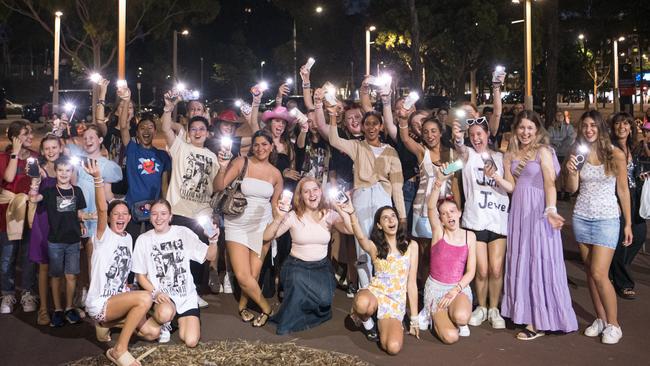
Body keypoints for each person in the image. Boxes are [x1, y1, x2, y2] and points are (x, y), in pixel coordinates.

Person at [490, 110, 577, 340]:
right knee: (522, 260)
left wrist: (550, 209)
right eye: (521, 128)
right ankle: (524, 311)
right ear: (515, 129)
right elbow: (511, 186)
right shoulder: (509, 154)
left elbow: (550, 182)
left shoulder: (544, 151)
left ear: (537, 130)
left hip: (539, 211)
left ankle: (540, 320)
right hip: (518, 211)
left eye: (530, 128)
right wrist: (496, 177)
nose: (525, 132)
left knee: (540, 260)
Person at [565, 110, 633, 345]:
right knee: (590, 273)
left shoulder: (615, 154)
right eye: (585, 126)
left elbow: (623, 190)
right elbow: (572, 188)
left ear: (601, 128)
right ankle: (601, 319)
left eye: (593, 125)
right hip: (582, 216)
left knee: (599, 273)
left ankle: (614, 324)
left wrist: (628, 223)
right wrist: (571, 171)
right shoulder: (577, 153)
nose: (589, 130)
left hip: (607, 219)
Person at [83, 159, 160, 365]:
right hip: (100, 302)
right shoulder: (103, 235)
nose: (120, 217)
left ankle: (107, 325)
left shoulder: (128, 238)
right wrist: (98, 179)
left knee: (153, 332)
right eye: (116, 214)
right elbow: (101, 208)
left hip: (118, 297)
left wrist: (126, 285)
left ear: (129, 218)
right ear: (109, 218)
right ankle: (119, 350)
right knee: (144, 299)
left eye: (124, 214)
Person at [328, 106, 406, 291]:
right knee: (361, 244)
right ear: (363, 127)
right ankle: (366, 290)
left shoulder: (391, 152)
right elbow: (333, 139)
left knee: (384, 244)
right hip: (362, 197)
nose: (371, 127)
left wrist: (401, 216)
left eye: (375, 124)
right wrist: (332, 116)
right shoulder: (357, 146)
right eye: (367, 124)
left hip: (383, 198)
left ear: (380, 127)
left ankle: (384, 289)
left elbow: (397, 186)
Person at [262, 177, 353, 335]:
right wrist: (278, 217)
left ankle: (302, 302)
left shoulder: (329, 215)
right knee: (298, 285)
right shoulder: (293, 216)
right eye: (306, 191)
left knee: (325, 300)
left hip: (321, 268)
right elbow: (267, 236)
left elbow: (350, 229)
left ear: (321, 192)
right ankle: (293, 306)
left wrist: (342, 210)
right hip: (297, 266)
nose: (311, 194)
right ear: (301, 196)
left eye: (315, 190)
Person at [215, 130, 282, 327]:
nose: (260, 148)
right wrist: (221, 168)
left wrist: (279, 221)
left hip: (262, 226)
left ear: (271, 147)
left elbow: (275, 205)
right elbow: (219, 187)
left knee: (253, 276)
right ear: (252, 146)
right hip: (237, 224)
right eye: (256, 144)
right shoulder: (241, 162)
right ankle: (267, 309)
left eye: (264, 144)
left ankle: (242, 307)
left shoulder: (276, 174)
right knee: (243, 276)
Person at [451, 103, 509, 330]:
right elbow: (459, 148)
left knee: (496, 269)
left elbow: (512, 184)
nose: (476, 138)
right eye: (472, 135)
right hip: (475, 219)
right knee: (481, 269)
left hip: (497, 218)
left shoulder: (501, 157)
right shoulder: (467, 156)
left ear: (488, 135)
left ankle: (494, 308)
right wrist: (457, 137)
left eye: (480, 134)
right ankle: (481, 306)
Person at [161, 89, 220, 309]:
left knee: (199, 256)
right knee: (178, 256)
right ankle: (176, 294)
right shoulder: (180, 147)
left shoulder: (213, 156)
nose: (197, 132)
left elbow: (217, 185)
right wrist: (168, 107)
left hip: (202, 213)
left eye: (201, 129)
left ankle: (193, 292)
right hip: (179, 210)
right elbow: (165, 128)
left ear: (207, 133)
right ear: (188, 131)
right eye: (193, 129)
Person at [132, 199, 218, 347]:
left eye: (163, 213)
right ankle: (162, 321)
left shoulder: (182, 233)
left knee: (191, 341)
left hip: (186, 296)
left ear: (170, 216)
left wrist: (213, 241)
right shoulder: (144, 240)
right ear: (150, 217)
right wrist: (156, 292)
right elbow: (140, 276)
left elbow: (210, 256)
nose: (159, 218)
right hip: (163, 296)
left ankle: (174, 321)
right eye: (154, 214)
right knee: (164, 313)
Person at [338, 204, 418, 355]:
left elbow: (412, 283)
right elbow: (361, 237)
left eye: (393, 216)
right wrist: (352, 213)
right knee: (362, 304)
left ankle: (381, 320)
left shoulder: (412, 246)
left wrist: (414, 319)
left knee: (393, 347)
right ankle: (369, 325)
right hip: (376, 293)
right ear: (379, 225)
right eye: (385, 218)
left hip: (394, 303)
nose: (390, 220)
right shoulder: (375, 247)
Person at [419, 164, 476, 344]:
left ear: (459, 213)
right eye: (443, 214)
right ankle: (430, 313)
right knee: (451, 337)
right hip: (436, 289)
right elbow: (430, 208)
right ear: (441, 219)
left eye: (452, 211)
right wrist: (438, 183)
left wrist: (454, 291)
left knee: (462, 317)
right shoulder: (439, 233)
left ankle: (455, 314)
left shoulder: (470, 236)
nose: (448, 215)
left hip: (458, 288)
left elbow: (471, 271)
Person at [28, 156, 87, 327]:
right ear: (56, 171)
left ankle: (69, 307)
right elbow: (33, 199)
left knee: (71, 275)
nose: (63, 173)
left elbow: (79, 213)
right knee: (55, 275)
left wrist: (83, 221)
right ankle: (58, 309)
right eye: (60, 170)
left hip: (74, 241)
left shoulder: (77, 191)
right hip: (55, 241)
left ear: (72, 172)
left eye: (67, 170)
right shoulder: (49, 192)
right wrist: (34, 181)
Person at [115, 87, 171, 242]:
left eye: (150, 127)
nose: (146, 130)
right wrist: (126, 100)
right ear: (137, 133)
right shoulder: (132, 149)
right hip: (133, 206)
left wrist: (165, 206)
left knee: (154, 244)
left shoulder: (162, 155)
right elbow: (124, 126)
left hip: (155, 209)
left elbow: (164, 184)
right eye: (142, 128)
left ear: (155, 131)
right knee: (132, 243)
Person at [608, 112, 648, 300]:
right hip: (617, 196)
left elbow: (635, 170)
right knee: (622, 240)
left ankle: (614, 271)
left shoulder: (634, 148)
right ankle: (624, 283)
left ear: (631, 128)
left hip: (635, 196)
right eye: (618, 123)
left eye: (626, 124)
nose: (622, 127)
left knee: (639, 235)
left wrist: (642, 175)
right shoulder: (610, 148)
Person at [0, 120, 39, 314]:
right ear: (15, 138)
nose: (30, 137)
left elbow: (38, 181)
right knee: (7, 256)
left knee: (28, 256)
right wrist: (14, 153)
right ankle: (7, 292)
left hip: (29, 212)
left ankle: (27, 292)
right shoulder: (4, 157)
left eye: (31, 133)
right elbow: (8, 178)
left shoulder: (35, 158)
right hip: (8, 214)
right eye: (25, 134)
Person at [28, 134, 64, 325]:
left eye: (54, 147)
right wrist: (35, 182)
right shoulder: (38, 171)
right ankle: (43, 309)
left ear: (60, 148)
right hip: (43, 221)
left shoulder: (65, 169)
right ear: (42, 151)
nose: (51, 151)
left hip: (61, 222)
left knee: (62, 267)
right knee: (44, 266)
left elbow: (71, 196)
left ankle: (62, 307)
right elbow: (32, 197)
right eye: (47, 148)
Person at [548, 110, 576, 201]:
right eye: (557, 115)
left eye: (561, 115)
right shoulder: (551, 128)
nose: (559, 117)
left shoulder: (569, 127)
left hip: (566, 152)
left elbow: (571, 138)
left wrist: (559, 142)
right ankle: (559, 192)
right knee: (558, 172)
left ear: (564, 117)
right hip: (556, 153)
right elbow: (549, 138)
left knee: (567, 172)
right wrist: (558, 142)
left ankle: (567, 192)